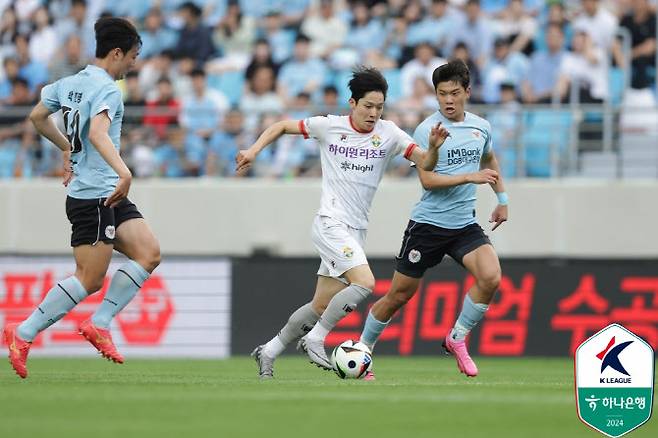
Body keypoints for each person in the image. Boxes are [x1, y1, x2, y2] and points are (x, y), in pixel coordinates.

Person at [236, 66, 449, 378]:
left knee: (320, 306)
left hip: (356, 230)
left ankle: (268, 351)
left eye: (379, 107)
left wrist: (434, 148)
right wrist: (254, 150)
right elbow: (282, 125)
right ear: (352, 103)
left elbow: (425, 163)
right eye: (368, 106)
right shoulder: (329, 126)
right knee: (365, 283)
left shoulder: (389, 134)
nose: (374, 113)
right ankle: (316, 339)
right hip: (330, 222)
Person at [3, 17, 161, 379]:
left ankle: (100, 322)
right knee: (89, 279)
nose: (133, 64)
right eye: (133, 56)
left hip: (107, 192)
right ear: (117, 52)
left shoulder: (70, 83)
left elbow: (37, 116)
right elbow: (98, 134)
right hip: (95, 195)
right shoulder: (107, 89)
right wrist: (126, 172)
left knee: (149, 253)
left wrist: (66, 149)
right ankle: (22, 332)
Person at [358, 60, 509, 379]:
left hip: (464, 225)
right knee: (399, 295)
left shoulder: (481, 126)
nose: (448, 101)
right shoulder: (428, 130)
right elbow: (427, 181)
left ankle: (456, 338)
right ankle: (363, 351)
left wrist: (502, 199)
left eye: (454, 93)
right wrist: (470, 177)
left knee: (491, 277)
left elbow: (489, 158)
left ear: (467, 92)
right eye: (442, 94)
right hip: (428, 226)